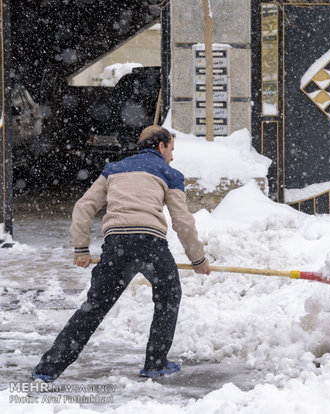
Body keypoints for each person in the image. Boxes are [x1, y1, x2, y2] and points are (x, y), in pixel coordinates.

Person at [32, 125, 210, 382]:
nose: (173, 155)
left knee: (92, 309)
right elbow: (182, 220)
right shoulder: (170, 173)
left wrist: (81, 248)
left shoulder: (113, 169)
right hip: (151, 245)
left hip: (115, 247)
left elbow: (83, 207)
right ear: (161, 146)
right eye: (172, 149)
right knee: (168, 296)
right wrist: (198, 259)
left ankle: (48, 369)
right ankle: (155, 362)